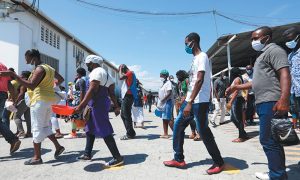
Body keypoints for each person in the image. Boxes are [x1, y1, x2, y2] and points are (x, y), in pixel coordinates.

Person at [226, 26, 290, 180]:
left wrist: (284, 99)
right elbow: (256, 82)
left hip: (272, 101)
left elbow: (285, 74)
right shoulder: (263, 55)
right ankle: (277, 172)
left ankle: (277, 175)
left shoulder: (275, 51)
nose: (253, 41)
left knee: (268, 139)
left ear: (266, 37)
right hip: (264, 101)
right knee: (272, 139)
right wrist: (236, 86)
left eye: (255, 38)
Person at [164, 32, 224, 175]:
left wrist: (190, 102)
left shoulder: (202, 57)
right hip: (191, 100)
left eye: (186, 43)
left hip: (199, 101)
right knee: (178, 126)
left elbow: (200, 80)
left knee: (203, 131)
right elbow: (192, 82)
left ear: (193, 42)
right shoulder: (195, 59)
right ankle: (178, 159)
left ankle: (219, 162)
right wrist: (186, 99)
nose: (185, 46)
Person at [0, 49, 65, 165]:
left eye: (27, 58)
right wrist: (49, 87)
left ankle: (37, 157)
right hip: (49, 100)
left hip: (39, 100)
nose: (26, 61)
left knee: (36, 128)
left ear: (32, 57)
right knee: (45, 126)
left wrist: (13, 75)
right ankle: (58, 147)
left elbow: (32, 85)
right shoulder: (48, 67)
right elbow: (61, 79)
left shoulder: (39, 68)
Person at [74, 55, 123, 167]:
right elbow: (112, 93)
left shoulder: (96, 72)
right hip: (99, 104)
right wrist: (116, 106)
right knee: (89, 128)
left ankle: (117, 157)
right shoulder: (107, 75)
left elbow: (92, 89)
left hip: (97, 105)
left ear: (92, 63)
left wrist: (81, 105)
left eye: (88, 65)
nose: (87, 68)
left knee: (104, 129)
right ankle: (87, 154)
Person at [0, 62, 21, 154]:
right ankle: (13, 140)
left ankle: (13, 139)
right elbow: (9, 84)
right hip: (3, 94)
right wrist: (14, 97)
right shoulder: (3, 65)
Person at [283, 26, 300, 133]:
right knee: (294, 109)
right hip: (294, 89)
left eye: (290, 39)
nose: (288, 42)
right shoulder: (290, 55)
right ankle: (295, 126)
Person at [176, 70, 201, 141]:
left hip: (189, 100)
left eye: (178, 76)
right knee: (189, 118)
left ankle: (199, 133)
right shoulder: (181, 82)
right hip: (184, 100)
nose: (177, 77)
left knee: (194, 118)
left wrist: (183, 100)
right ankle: (193, 133)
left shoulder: (187, 81)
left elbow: (189, 91)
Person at [65, 68, 88, 139]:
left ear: (79, 73)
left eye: (76, 73)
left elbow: (82, 91)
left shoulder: (81, 80)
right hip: (78, 100)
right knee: (81, 117)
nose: (76, 74)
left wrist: (81, 104)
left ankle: (73, 133)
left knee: (73, 116)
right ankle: (86, 131)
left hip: (78, 101)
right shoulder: (83, 79)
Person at [227, 68, 248, 143]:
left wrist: (230, 102)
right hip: (236, 100)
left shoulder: (237, 79)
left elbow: (236, 92)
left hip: (236, 100)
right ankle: (243, 132)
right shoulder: (237, 79)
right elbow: (233, 88)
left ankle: (241, 136)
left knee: (237, 119)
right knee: (234, 118)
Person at [119, 64, 138, 140]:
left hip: (128, 96)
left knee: (126, 115)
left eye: (120, 70)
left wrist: (120, 69)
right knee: (124, 115)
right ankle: (131, 132)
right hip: (128, 96)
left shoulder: (130, 73)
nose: (120, 72)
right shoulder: (130, 73)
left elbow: (120, 77)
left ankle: (130, 134)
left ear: (123, 68)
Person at [13, 71, 32, 138]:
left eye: (21, 75)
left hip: (23, 101)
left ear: (24, 77)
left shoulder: (23, 83)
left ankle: (21, 131)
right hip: (29, 101)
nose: (19, 76)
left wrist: (15, 102)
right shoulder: (30, 82)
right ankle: (29, 133)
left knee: (16, 117)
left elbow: (21, 94)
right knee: (27, 118)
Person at [158, 69, 174, 139]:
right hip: (163, 103)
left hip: (167, 102)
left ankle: (176, 134)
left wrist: (163, 99)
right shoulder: (163, 84)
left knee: (169, 118)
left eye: (161, 75)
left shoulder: (168, 83)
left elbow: (169, 92)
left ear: (165, 76)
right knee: (164, 118)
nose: (160, 76)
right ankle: (165, 134)